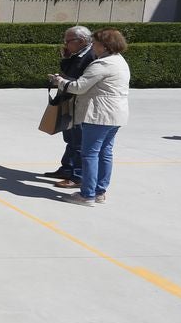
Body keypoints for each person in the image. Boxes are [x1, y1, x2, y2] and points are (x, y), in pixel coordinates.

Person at [49, 27, 131, 207]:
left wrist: (59, 81)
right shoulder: (119, 61)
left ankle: (87, 195)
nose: (93, 46)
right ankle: (99, 191)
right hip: (116, 115)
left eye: (95, 43)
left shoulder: (102, 65)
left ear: (105, 45)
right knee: (105, 153)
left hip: (99, 115)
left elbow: (79, 87)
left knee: (90, 154)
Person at [44, 25, 95, 189]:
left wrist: (63, 80)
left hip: (80, 104)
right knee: (70, 139)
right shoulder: (77, 54)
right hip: (69, 101)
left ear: (81, 41)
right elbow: (69, 71)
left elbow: (83, 82)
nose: (65, 44)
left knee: (79, 142)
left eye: (68, 41)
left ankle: (77, 176)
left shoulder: (91, 56)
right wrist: (65, 58)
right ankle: (66, 169)